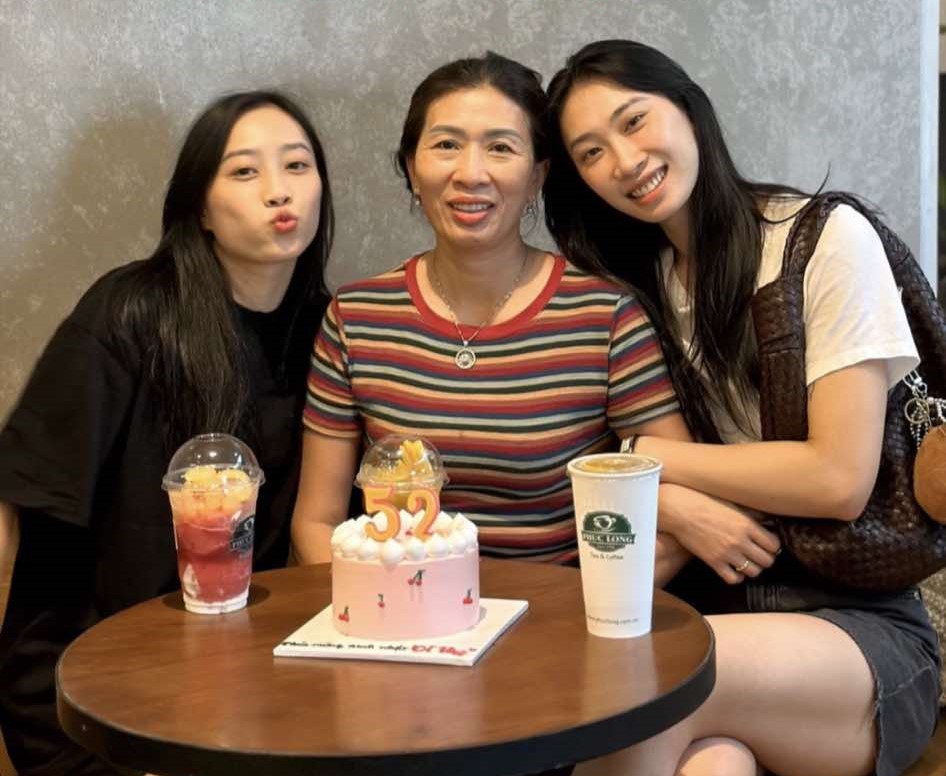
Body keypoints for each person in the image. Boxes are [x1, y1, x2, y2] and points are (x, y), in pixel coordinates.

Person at [543, 39, 940, 776]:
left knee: (646, 683)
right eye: (591, 152)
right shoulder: (639, 288)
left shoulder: (823, 239)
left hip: (860, 632)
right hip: (715, 606)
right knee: (710, 765)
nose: (624, 162)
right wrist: (668, 502)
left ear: (689, 108)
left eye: (634, 123)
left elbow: (837, 478)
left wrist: (644, 460)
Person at [0, 90, 334, 775]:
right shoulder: (130, 313)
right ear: (200, 209)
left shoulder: (332, 332)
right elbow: (26, 499)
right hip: (97, 697)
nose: (279, 190)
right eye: (244, 172)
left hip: (249, 694)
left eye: (297, 165)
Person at [291, 51, 689, 570]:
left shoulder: (605, 316)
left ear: (537, 177)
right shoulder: (356, 317)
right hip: (401, 623)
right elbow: (316, 522)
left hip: (559, 628)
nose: (470, 173)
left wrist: (584, 618)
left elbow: (678, 515)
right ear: (412, 169)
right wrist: (380, 615)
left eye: (501, 147)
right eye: (446, 145)